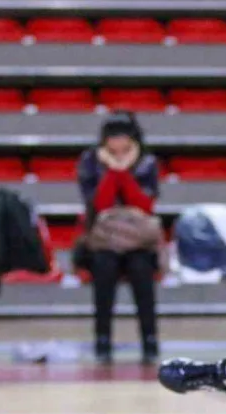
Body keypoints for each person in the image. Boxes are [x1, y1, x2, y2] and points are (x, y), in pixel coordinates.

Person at [76, 112, 162, 365]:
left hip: (138, 240)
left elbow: (144, 204)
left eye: (123, 137)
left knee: (141, 269)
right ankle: (102, 340)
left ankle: (150, 339)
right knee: (104, 268)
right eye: (112, 137)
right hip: (103, 239)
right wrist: (113, 172)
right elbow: (99, 203)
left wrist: (123, 172)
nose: (117, 143)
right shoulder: (90, 161)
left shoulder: (147, 163)